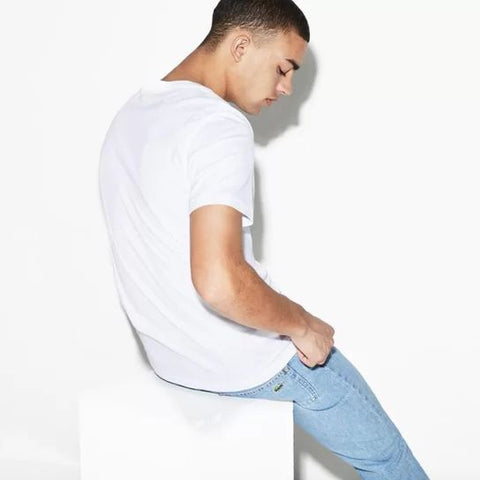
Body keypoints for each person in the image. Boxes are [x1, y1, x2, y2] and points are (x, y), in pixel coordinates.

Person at [98, 0, 429, 478]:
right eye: (284, 67)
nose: (287, 87)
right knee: (388, 461)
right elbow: (218, 281)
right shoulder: (217, 125)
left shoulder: (132, 115)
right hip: (243, 361)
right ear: (240, 46)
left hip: (175, 361)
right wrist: (302, 324)